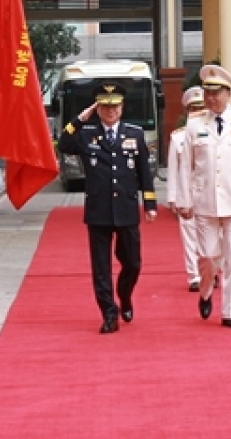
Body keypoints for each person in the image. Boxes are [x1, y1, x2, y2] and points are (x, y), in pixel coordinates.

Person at [57, 83, 158, 333]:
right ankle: (109, 312)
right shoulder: (86, 134)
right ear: (97, 108)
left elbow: (145, 173)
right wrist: (81, 118)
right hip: (99, 210)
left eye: (114, 106)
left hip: (125, 208)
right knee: (101, 268)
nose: (110, 111)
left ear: (122, 107)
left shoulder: (134, 134)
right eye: (104, 106)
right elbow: (64, 143)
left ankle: (124, 294)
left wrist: (150, 204)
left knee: (133, 263)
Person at [176, 66, 231, 328]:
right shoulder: (194, 124)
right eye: (207, 93)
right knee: (207, 256)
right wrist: (184, 200)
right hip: (204, 201)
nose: (211, 98)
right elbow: (185, 167)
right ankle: (205, 291)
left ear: (228, 94)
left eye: (217, 93)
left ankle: (230, 312)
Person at [167, 86, 206, 292]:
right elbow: (173, 169)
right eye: (193, 109)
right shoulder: (178, 137)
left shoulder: (211, 133)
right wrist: (174, 197)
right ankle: (194, 276)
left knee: (211, 237)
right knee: (190, 235)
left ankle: (209, 270)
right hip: (187, 192)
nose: (197, 112)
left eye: (201, 108)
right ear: (187, 112)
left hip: (209, 192)